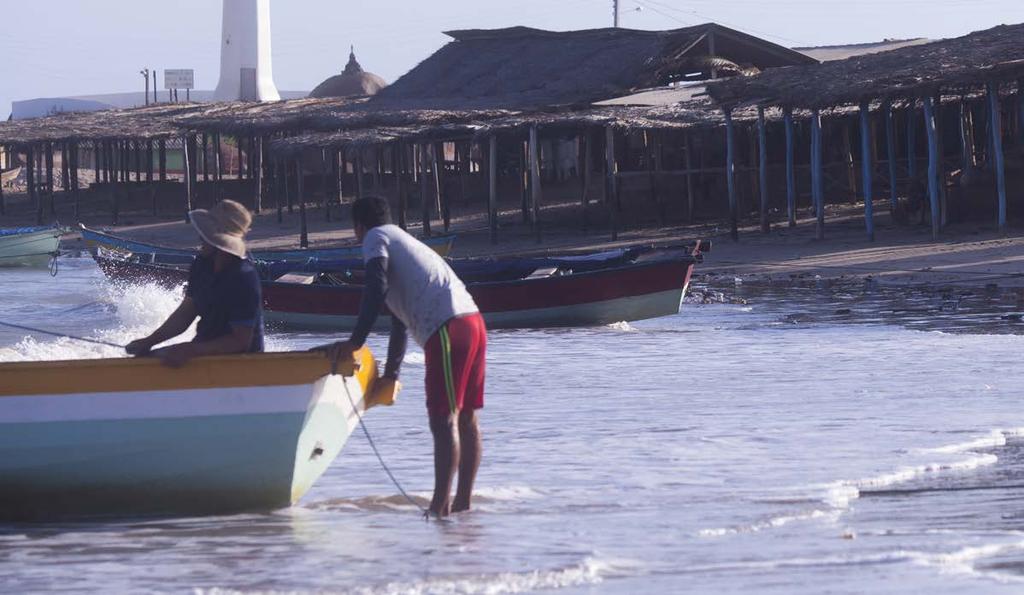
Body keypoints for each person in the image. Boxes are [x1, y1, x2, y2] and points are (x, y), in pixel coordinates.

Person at [318, 196, 486, 518]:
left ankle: (439, 507)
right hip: (473, 323)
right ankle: (462, 507)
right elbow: (400, 321)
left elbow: (375, 288)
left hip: (448, 328)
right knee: (465, 418)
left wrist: (355, 341)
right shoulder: (405, 242)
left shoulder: (375, 238)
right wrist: (392, 373)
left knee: (443, 420)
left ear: (358, 227)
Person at [126, 200, 264, 367]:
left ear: (219, 244)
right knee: (148, 361)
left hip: (241, 363)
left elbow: (240, 341)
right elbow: (186, 313)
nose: (200, 239)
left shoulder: (243, 278)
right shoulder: (201, 265)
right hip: (203, 352)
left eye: (206, 236)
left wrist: (190, 350)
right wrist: (149, 341)